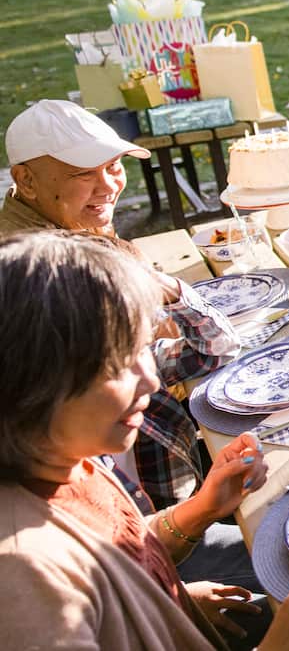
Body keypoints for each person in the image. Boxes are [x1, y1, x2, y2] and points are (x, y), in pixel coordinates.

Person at [0, 230, 289, 650]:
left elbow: (119, 552)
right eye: (119, 365)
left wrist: (201, 514)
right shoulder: (25, 580)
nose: (150, 380)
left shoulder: (69, 459)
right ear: (37, 383)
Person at [2, 99, 241, 509]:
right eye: (83, 173)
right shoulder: (44, 281)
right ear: (26, 180)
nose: (109, 185)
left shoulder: (73, 228)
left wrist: (170, 290)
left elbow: (206, 349)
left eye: (113, 167)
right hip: (140, 521)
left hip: (169, 478)